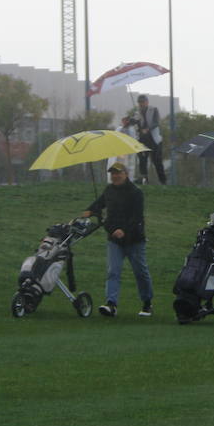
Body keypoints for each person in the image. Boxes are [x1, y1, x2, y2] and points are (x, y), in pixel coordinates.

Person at [82, 161, 153, 317]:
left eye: (118, 173)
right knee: (113, 271)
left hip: (134, 240)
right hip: (114, 239)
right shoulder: (109, 190)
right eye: (113, 174)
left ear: (126, 174)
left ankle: (147, 303)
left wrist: (124, 230)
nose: (115, 176)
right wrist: (89, 210)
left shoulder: (136, 192)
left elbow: (137, 217)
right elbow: (99, 204)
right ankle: (111, 304)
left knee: (140, 272)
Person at [121, 94, 166, 184]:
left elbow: (156, 122)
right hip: (142, 140)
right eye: (139, 102)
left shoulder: (153, 110)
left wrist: (148, 129)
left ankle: (163, 181)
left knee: (157, 161)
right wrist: (127, 121)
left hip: (154, 140)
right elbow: (133, 121)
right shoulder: (137, 113)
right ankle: (145, 180)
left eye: (143, 102)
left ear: (147, 102)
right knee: (142, 160)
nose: (141, 104)